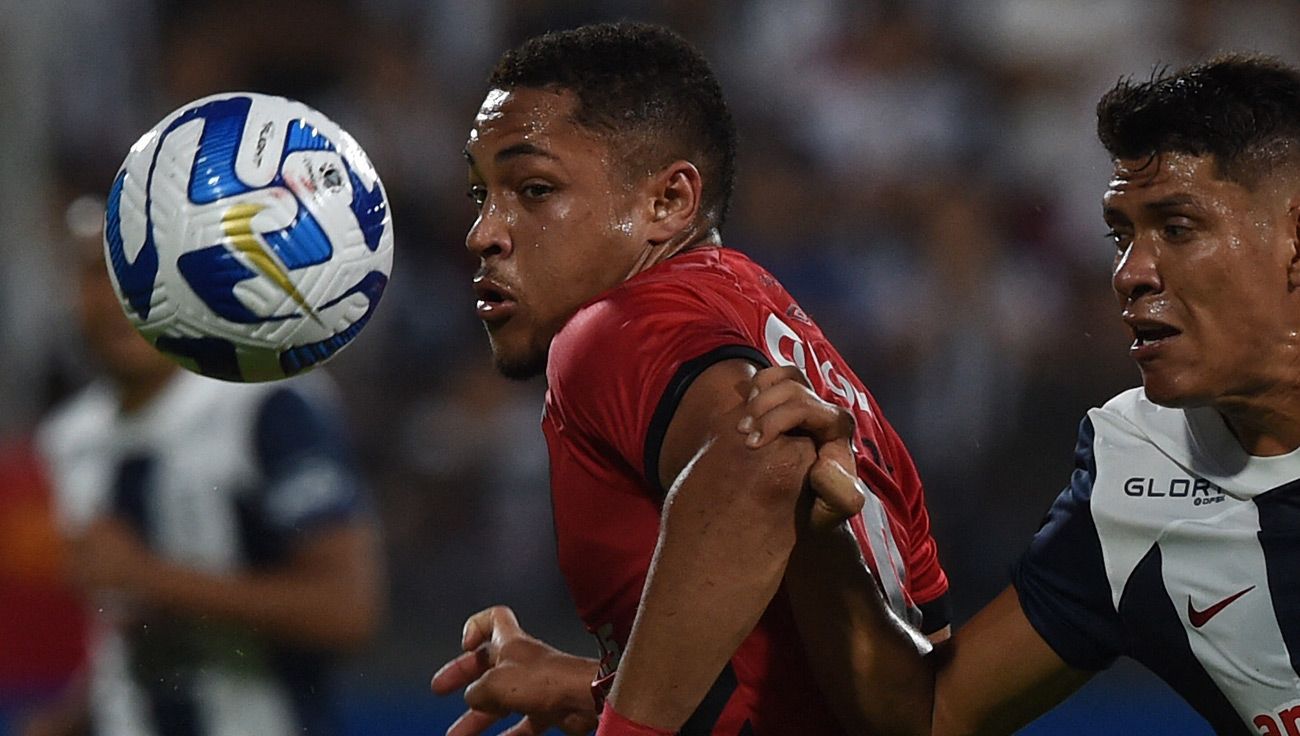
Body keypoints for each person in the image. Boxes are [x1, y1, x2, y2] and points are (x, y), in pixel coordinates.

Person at [735, 53, 1300, 735]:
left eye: (1177, 228)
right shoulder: (1138, 469)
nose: (1130, 273)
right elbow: (931, 719)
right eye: (1121, 234)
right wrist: (829, 538)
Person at [430, 22, 950, 736]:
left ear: (668, 202)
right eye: (479, 193)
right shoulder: (787, 335)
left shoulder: (615, 327)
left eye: (534, 188)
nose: (484, 232)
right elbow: (906, 705)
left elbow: (767, 459)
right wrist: (599, 689)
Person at [20, 205, 385, 736]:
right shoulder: (70, 440)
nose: (122, 298)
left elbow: (347, 610)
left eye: (144, 270)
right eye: (97, 273)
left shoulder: (264, 402)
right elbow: (129, 647)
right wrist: (71, 719)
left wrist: (150, 577)